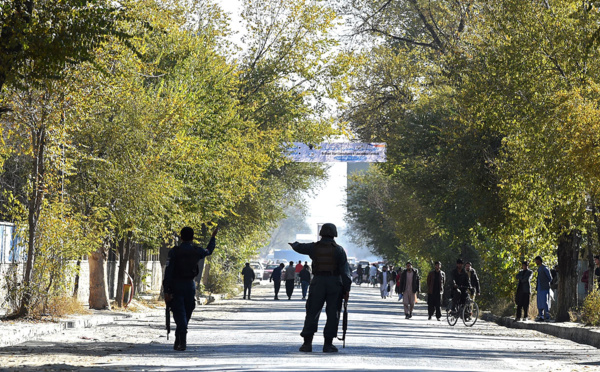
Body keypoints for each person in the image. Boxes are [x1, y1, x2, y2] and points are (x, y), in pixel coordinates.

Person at [289, 223, 352, 353]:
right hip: (334, 283)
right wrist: (347, 290)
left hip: (317, 282)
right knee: (333, 314)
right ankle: (328, 344)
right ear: (334, 233)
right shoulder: (339, 250)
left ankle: (307, 344)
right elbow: (345, 272)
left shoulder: (314, 247)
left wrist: (293, 244)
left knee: (312, 312)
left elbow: (299, 247)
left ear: (321, 233)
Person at [163, 226, 219, 351]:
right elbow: (209, 250)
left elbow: (168, 272)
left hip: (176, 285)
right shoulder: (196, 250)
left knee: (180, 312)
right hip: (190, 285)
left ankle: (180, 337)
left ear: (181, 237)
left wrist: (166, 290)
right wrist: (213, 237)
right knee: (187, 311)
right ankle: (181, 338)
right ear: (192, 238)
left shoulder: (174, 251)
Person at [534, 256, 553, 322]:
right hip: (539, 288)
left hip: (544, 288)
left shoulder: (545, 268)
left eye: (536, 260)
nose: (536, 262)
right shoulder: (539, 268)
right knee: (539, 302)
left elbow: (550, 278)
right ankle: (541, 316)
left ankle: (547, 316)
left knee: (545, 302)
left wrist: (546, 283)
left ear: (539, 260)